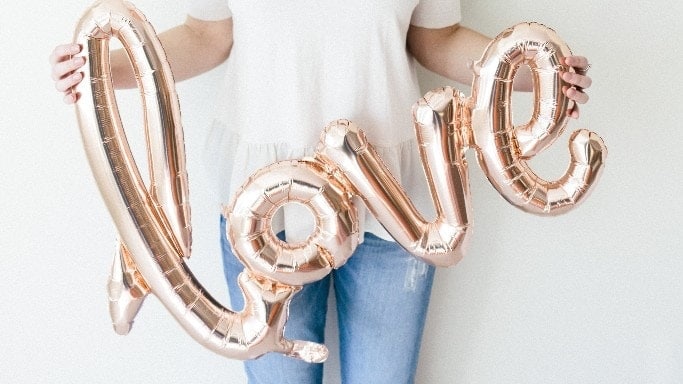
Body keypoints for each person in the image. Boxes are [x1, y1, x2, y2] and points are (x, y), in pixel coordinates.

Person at [50, 1, 592, 383]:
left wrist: (534, 75)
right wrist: (108, 70)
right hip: (259, 208)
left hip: (393, 200)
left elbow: (437, 40)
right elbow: (206, 35)